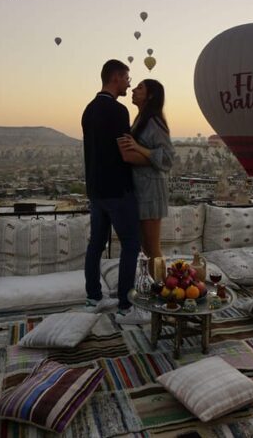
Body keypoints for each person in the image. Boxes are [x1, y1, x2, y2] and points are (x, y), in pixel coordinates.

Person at [81, 59, 148, 324]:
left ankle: (93, 298)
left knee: (96, 244)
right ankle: (125, 306)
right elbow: (125, 152)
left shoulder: (88, 110)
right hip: (118, 189)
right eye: (127, 78)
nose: (129, 83)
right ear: (116, 77)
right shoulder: (118, 111)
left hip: (95, 190)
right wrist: (151, 159)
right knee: (131, 243)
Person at [118, 79, 174, 261]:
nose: (133, 90)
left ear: (150, 96)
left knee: (152, 248)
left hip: (151, 191)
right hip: (141, 189)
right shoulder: (140, 120)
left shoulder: (154, 122)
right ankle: (152, 285)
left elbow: (167, 158)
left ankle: (162, 287)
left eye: (140, 87)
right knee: (145, 248)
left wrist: (139, 148)